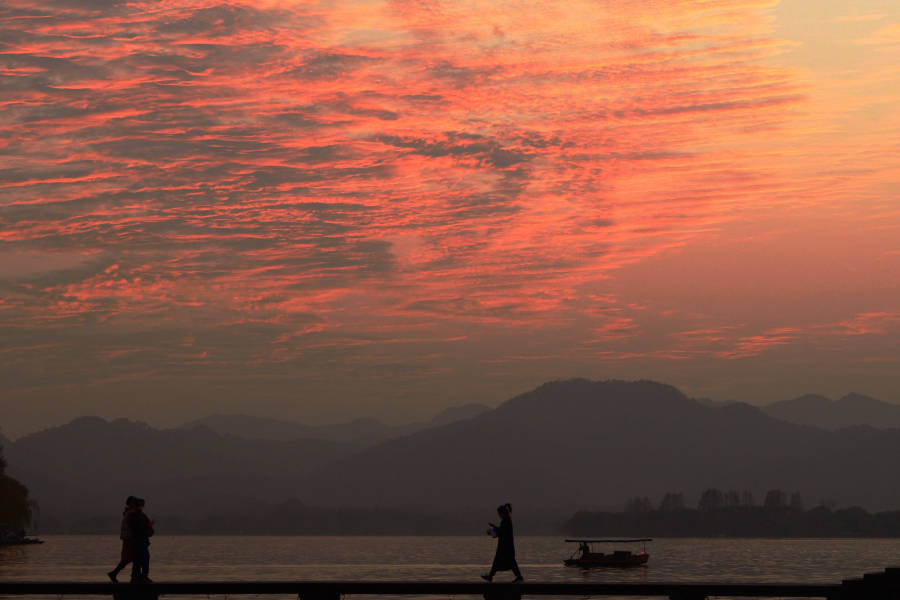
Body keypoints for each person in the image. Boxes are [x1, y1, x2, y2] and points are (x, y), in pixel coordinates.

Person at [481, 503, 523, 582]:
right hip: (505, 545)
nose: (499, 515)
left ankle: (519, 577)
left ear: (502, 513)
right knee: (503, 561)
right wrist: (494, 531)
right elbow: (501, 532)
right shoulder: (506, 520)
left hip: (506, 546)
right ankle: (490, 576)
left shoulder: (506, 521)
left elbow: (502, 532)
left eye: (499, 514)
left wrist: (494, 528)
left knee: (509, 561)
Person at [107, 496, 138, 583]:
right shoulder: (131, 513)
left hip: (128, 538)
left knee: (130, 557)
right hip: (129, 538)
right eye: (134, 502)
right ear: (130, 503)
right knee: (129, 557)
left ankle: (117, 573)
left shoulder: (128, 512)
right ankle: (116, 573)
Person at [128, 497, 154, 582]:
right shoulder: (133, 516)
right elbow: (137, 529)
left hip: (143, 541)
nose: (141, 507)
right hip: (137, 542)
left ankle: (142, 577)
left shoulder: (143, 515)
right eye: (140, 505)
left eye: (142, 505)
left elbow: (148, 528)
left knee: (144, 559)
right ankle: (137, 577)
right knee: (139, 560)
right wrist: (147, 528)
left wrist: (149, 528)